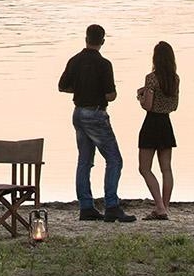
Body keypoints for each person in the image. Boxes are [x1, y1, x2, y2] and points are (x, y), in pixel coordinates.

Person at [58, 23, 135, 222]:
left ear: (86, 39)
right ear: (102, 41)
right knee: (114, 159)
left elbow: (62, 86)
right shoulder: (104, 64)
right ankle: (112, 205)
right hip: (96, 114)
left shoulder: (74, 60)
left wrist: (80, 89)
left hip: (78, 113)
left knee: (84, 161)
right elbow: (110, 95)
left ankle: (86, 206)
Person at [136, 41, 180, 220]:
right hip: (166, 124)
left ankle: (160, 207)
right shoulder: (174, 79)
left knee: (144, 168)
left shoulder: (151, 78)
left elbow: (148, 105)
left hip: (151, 123)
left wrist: (140, 96)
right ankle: (165, 207)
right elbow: (174, 105)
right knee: (166, 169)